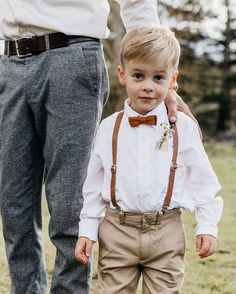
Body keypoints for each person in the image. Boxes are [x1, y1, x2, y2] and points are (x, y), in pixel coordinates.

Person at [0, 1, 199, 293]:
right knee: (12, 202)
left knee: (70, 202)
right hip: (8, 59)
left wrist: (164, 80)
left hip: (70, 55)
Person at [75, 25, 223, 293]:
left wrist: (207, 225)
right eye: (139, 75)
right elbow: (94, 185)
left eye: (158, 78)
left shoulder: (183, 127)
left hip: (165, 231)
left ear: (172, 80)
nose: (147, 86)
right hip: (117, 232)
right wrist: (87, 228)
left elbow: (203, 180)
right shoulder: (108, 128)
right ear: (122, 74)